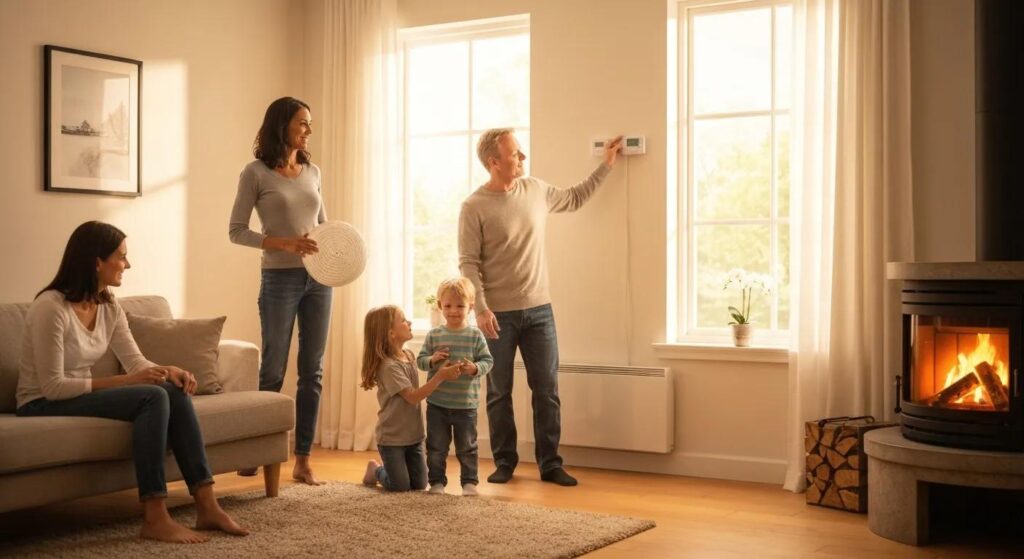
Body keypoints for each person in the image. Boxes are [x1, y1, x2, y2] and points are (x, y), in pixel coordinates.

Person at [16, 221, 248, 544]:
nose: (128, 264)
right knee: (152, 398)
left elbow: (137, 362)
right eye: (122, 257)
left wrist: (169, 369)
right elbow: (53, 386)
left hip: (74, 394)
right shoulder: (50, 308)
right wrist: (129, 381)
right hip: (40, 402)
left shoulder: (109, 306)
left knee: (172, 391)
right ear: (97, 262)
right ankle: (155, 518)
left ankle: (207, 505)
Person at [458, 129, 622, 487]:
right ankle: (504, 462)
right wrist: (480, 309)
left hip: (539, 312)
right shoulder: (474, 207)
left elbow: (576, 198)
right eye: (516, 153)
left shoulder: (535, 190)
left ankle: (550, 464)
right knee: (499, 392)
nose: (523, 158)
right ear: (494, 162)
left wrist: (605, 165)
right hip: (496, 316)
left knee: (546, 390)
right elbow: (469, 263)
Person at [229, 96, 331, 485]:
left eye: (309, 123)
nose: (308, 130)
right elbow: (237, 231)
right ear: (282, 125)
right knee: (273, 369)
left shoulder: (313, 170)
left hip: (318, 280)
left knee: (313, 371)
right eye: (302, 123)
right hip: (279, 279)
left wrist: (336, 246)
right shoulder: (255, 173)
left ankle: (302, 459)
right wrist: (285, 243)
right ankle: (258, 449)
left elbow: (322, 224)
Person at [359, 305, 461, 491]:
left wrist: (434, 358)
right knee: (400, 486)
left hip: (414, 436)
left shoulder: (409, 355)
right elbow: (413, 397)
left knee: (420, 484)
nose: (410, 322)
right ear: (391, 333)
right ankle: (375, 470)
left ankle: (391, 469)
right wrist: (440, 376)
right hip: (392, 439)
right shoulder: (389, 367)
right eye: (404, 320)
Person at [416, 277, 494, 496]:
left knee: (467, 447)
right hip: (437, 403)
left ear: (470, 307)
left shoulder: (475, 335)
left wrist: (475, 368)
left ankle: (469, 483)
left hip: (465, 406)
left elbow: (488, 361)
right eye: (448, 306)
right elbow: (420, 361)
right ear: (440, 306)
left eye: (460, 306)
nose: (453, 311)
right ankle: (437, 483)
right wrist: (432, 360)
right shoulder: (434, 335)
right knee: (436, 448)